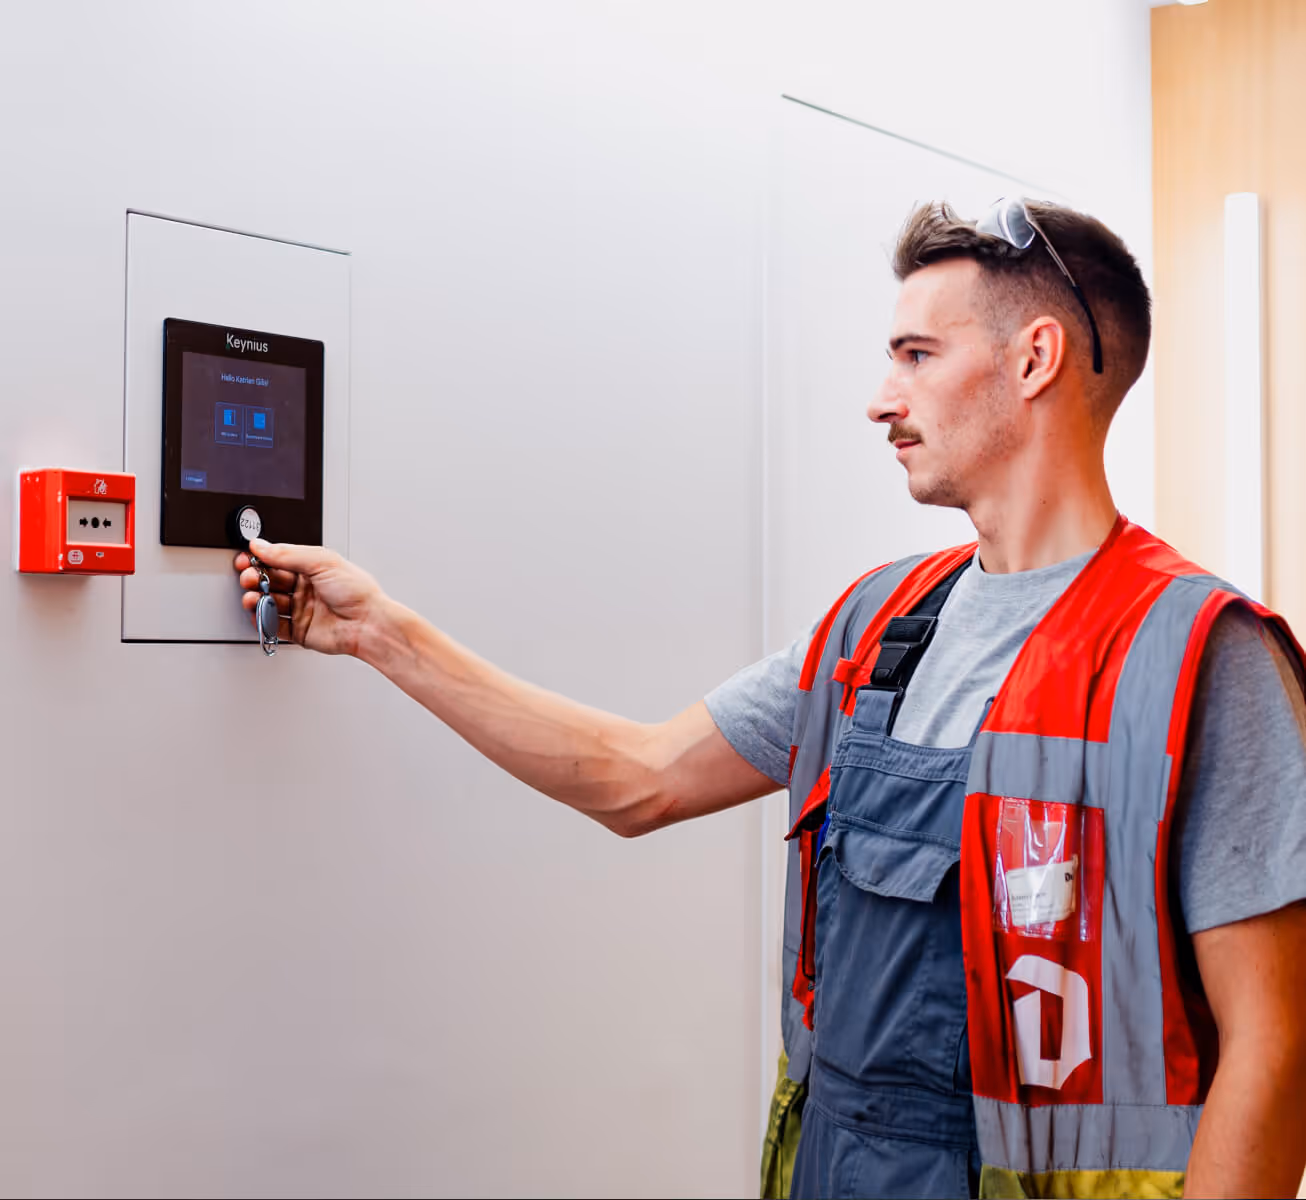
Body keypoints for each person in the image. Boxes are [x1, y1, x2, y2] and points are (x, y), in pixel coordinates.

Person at [235, 199, 1306, 1200]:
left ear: (1036, 359)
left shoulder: (1199, 657)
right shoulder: (873, 628)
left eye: (918, 356)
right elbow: (636, 778)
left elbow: (1274, 1045)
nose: (881, 399)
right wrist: (380, 631)